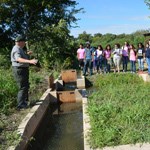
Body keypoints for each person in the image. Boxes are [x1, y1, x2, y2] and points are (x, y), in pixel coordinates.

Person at [11, 35, 37, 110]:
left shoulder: (20, 49)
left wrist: (27, 55)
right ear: (20, 42)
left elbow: (22, 57)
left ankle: (24, 102)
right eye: (24, 42)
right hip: (19, 70)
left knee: (25, 85)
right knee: (22, 87)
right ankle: (20, 105)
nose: (25, 43)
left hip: (23, 69)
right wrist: (30, 61)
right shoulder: (16, 49)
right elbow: (18, 59)